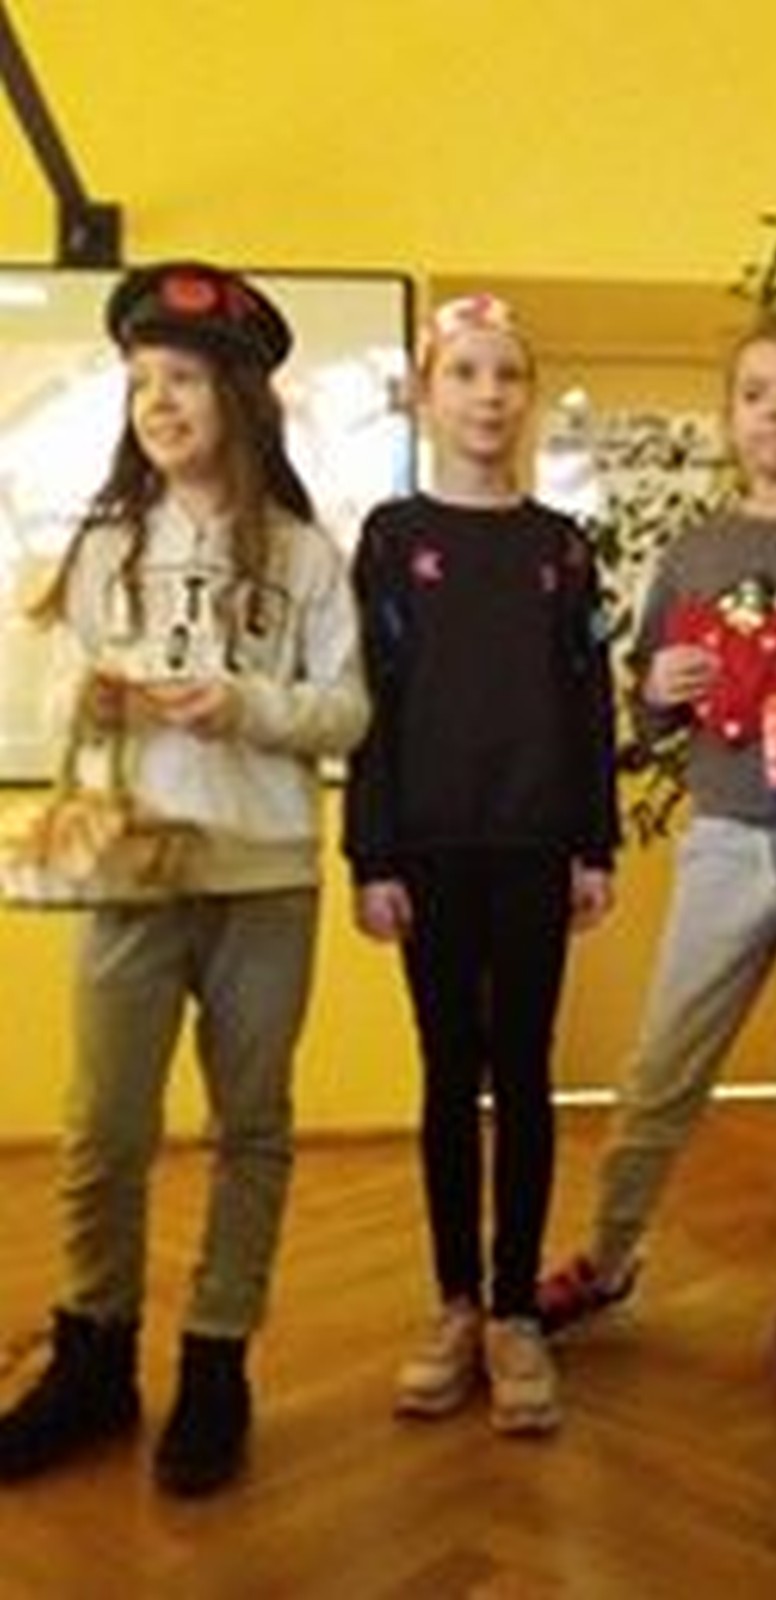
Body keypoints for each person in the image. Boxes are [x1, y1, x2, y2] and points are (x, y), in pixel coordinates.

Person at [0, 262, 369, 1497]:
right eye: (141, 381)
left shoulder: (307, 555)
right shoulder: (102, 546)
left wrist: (245, 704)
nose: (158, 402)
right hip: (130, 871)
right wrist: (90, 693)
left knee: (251, 1127)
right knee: (104, 1126)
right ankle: (92, 1357)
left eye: (184, 379)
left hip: (266, 878)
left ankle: (218, 1359)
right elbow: (42, 694)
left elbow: (349, 712)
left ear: (242, 396)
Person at [537, 316, 776, 1422]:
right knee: (660, 1069)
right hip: (728, 833)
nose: (775, 409)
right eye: (754, 393)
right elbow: (649, 710)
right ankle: (608, 1256)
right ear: (730, 420)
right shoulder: (692, 551)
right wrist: (658, 686)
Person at [342, 293, 619, 1436]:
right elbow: (367, 703)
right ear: (426, 392)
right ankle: (454, 1301)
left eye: (507, 374)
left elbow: (590, 699)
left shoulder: (563, 546)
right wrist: (370, 853)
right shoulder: (389, 537)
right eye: (464, 373)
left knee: (526, 1069)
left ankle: (514, 1312)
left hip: (535, 847)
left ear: (528, 394)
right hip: (426, 851)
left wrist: (594, 842)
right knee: (447, 1072)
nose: (488, 395)